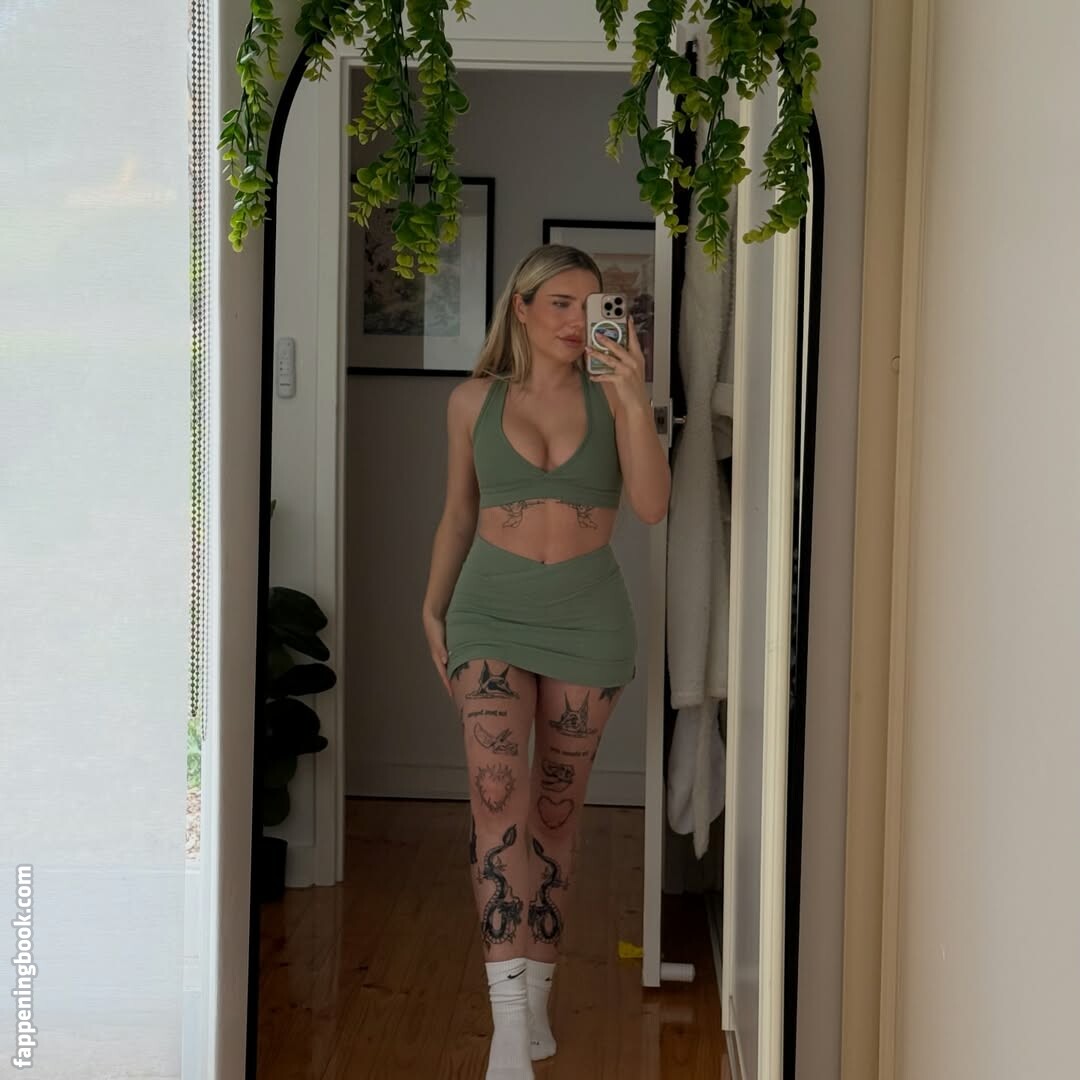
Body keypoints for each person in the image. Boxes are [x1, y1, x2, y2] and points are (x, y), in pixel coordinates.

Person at [421, 244, 671, 1079]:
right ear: (521, 307)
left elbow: (651, 506)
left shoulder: (616, 398)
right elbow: (459, 514)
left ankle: (536, 1000)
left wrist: (632, 398)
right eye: (558, 303)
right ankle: (505, 1027)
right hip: (489, 612)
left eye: (590, 305)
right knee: (498, 804)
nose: (575, 320)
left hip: (588, 619)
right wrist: (431, 605)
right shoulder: (472, 400)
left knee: (556, 817)